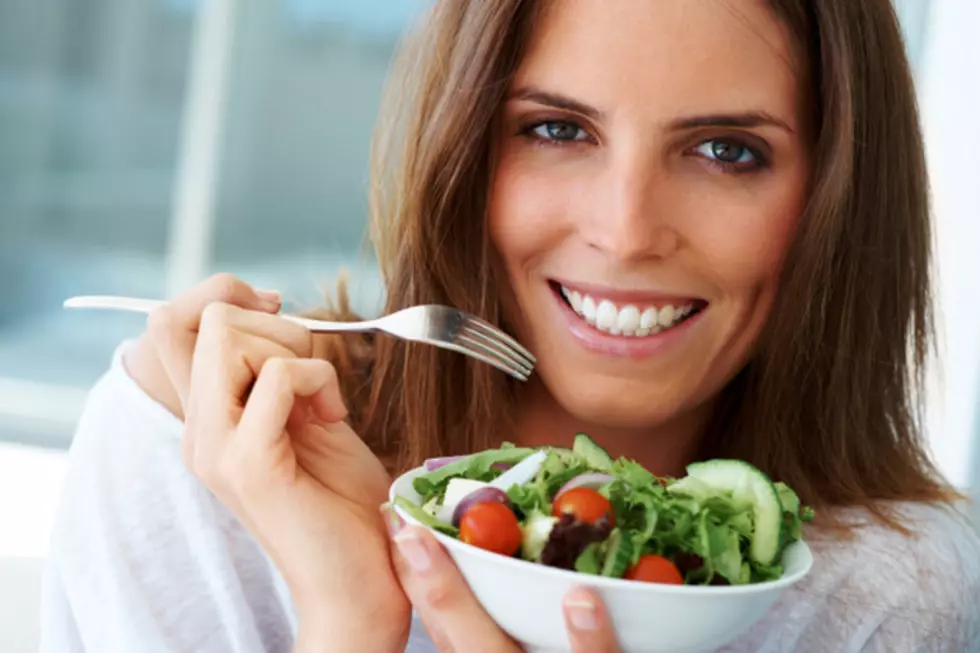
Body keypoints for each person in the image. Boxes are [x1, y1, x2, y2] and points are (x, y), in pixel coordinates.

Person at [39, 0, 980, 651]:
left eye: (726, 150)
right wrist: (350, 620)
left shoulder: (888, 586)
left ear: (835, 198)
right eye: (558, 130)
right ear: (462, 146)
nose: (624, 230)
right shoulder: (207, 451)